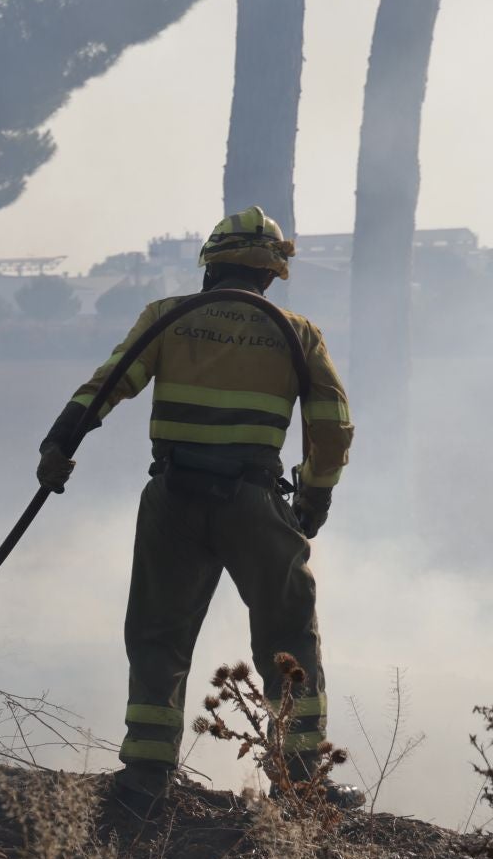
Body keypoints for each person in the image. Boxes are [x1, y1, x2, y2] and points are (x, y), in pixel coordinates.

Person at [36, 206, 362, 812]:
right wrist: (313, 500)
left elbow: (106, 385)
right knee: (288, 635)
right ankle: (297, 786)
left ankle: (144, 781)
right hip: (256, 504)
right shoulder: (298, 333)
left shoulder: (169, 318)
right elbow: (334, 430)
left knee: (158, 634)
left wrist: (60, 444)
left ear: (210, 263)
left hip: (173, 500)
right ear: (271, 274)